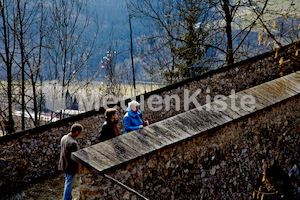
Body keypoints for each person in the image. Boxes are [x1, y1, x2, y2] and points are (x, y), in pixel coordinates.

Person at [58, 123, 83, 200]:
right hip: (70, 166)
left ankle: (69, 197)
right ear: (77, 132)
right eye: (80, 132)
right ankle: (66, 198)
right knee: (69, 184)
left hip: (63, 164)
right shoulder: (73, 143)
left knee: (68, 182)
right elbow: (75, 158)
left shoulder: (64, 137)